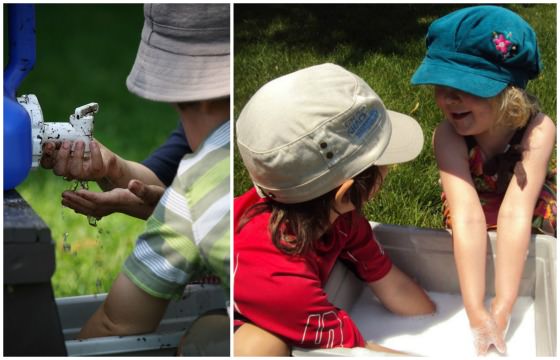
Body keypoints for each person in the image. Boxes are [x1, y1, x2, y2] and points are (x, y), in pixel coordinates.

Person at [234, 63, 436, 356]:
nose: (391, 167)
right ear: (344, 193)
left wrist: (439, 315)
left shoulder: (336, 215)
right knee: (261, 347)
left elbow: (392, 284)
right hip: (228, 315)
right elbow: (357, 352)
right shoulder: (283, 283)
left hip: (280, 302)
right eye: (384, 160)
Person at [77, 3, 230, 342]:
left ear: (190, 92)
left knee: (208, 335)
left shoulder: (194, 184)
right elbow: (159, 177)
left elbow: (116, 325)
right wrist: (112, 167)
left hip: (271, 331)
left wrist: (180, 205)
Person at [411, 5, 556, 356]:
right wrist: (476, 311)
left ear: (509, 91)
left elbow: (517, 213)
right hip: (475, 201)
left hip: (526, 199)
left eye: (464, 86)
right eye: (440, 85)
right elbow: (467, 216)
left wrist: (503, 308)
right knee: (469, 241)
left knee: (539, 242)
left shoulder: (538, 130)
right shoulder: (448, 136)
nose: (448, 98)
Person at [40, 122, 189, 220]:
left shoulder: (200, 115)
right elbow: (160, 177)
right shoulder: (195, 124)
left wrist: (163, 206)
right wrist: (111, 167)